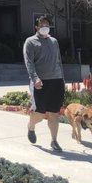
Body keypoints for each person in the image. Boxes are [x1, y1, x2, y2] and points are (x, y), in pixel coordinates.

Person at [23, 16, 65, 152]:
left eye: (47, 24)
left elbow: (58, 61)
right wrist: (35, 78)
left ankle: (54, 141)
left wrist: (62, 79)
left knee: (54, 113)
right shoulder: (30, 42)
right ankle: (31, 126)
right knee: (40, 114)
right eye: (42, 25)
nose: (45, 27)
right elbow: (29, 62)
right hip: (40, 82)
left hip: (56, 80)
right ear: (36, 27)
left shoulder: (54, 41)